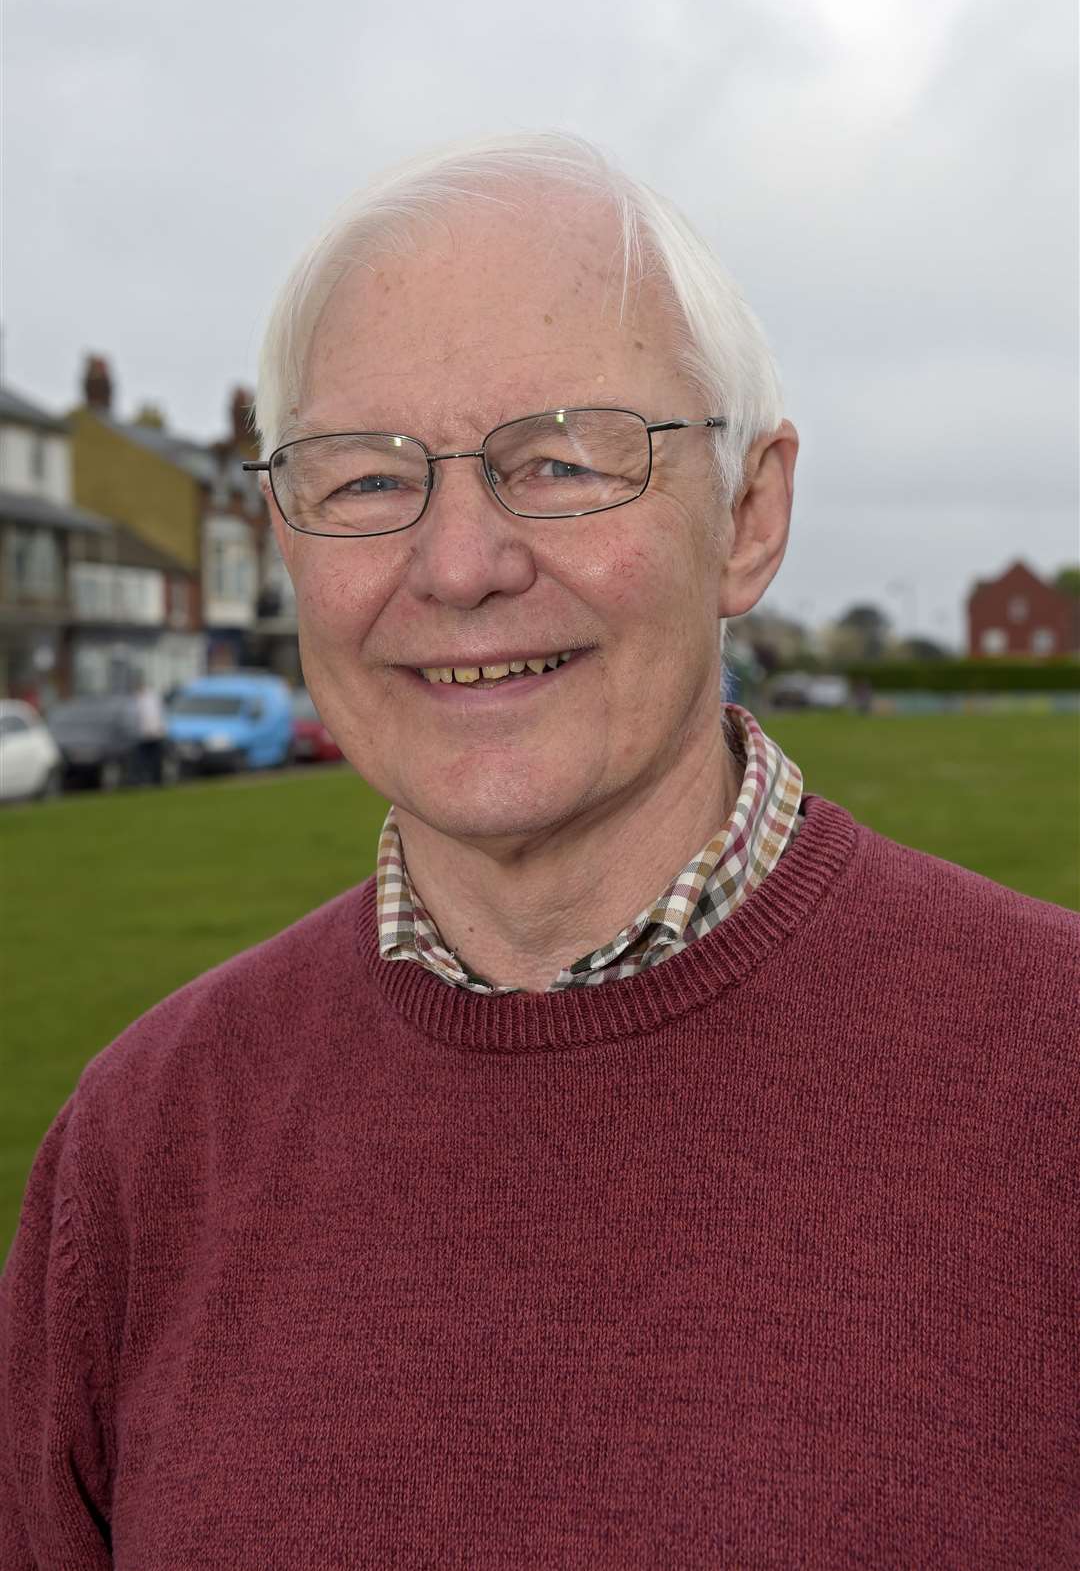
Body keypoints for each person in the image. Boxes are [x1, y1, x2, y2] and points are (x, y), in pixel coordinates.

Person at [2, 134, 1076, 1570]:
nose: (459, 565)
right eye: (369, 480)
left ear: (749, 518)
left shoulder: (1049, 1076)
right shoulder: (142, 1150)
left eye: (562, 460)